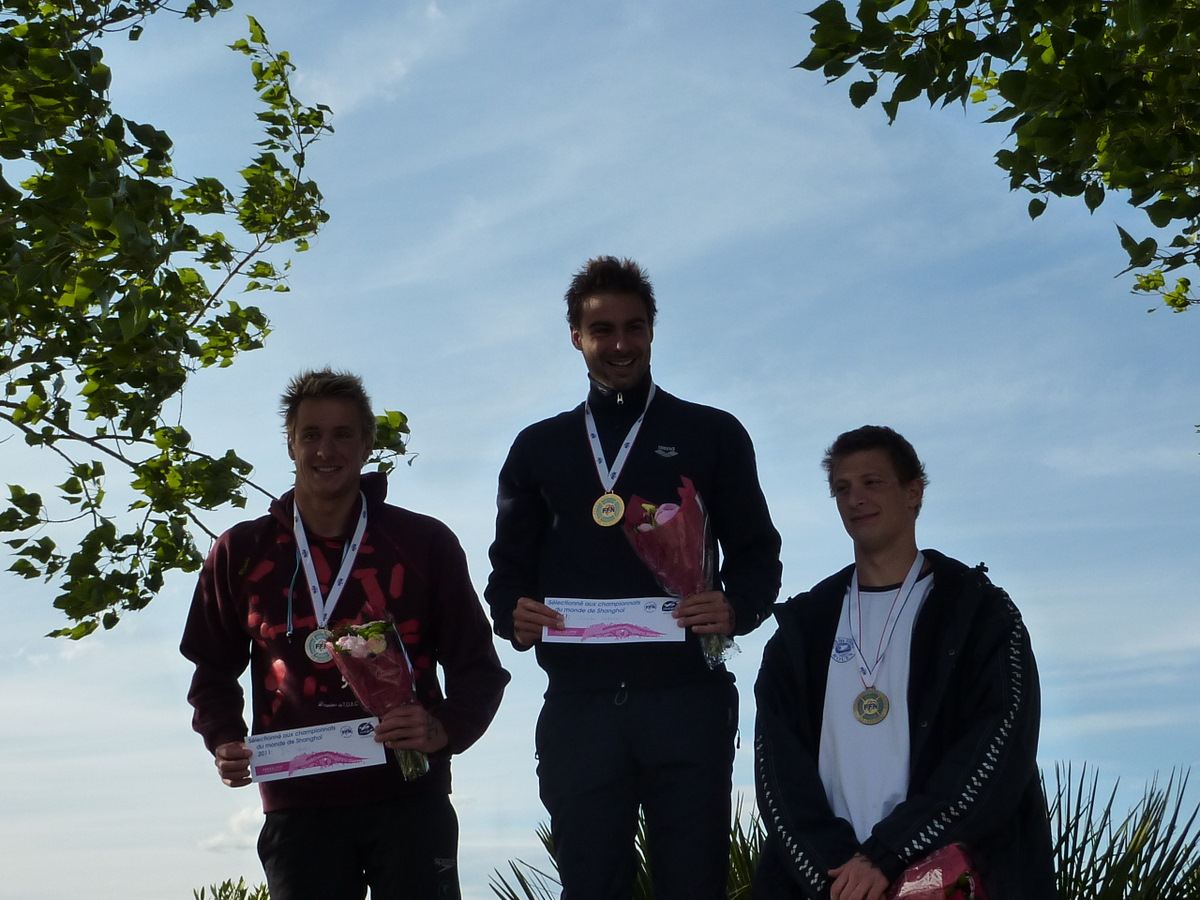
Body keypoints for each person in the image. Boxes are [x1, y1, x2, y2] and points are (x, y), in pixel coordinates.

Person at [486, 256, 783, 900]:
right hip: (580, 707)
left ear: (652, 330)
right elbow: (507, 572)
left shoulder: (712, 433)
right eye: (602, 330)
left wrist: (736, 606)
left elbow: (759, 554)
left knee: (693, 885)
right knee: (592, 887)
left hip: (686, 699)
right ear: (576, 337)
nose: (620, 344)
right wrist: (513, 613)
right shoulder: (538, 447)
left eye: (634, 327)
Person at [181, 369, 510, 900]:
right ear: (290, 444)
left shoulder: (423, 542)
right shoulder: (241, 551)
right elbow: (212, 669)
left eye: (342, 434)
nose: (325, 450)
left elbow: (478, 668)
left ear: (366, 444)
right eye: (310, 434)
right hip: (298, 803)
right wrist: (223, 737)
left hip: (408, 793)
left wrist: (444, 728)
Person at [753, 425, 1056, 900]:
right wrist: (839, 878)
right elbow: (778, 770)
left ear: (914, 492)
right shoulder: (801, 629)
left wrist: (891, 854)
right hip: (830, 885)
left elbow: (998, 749)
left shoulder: (980, 613)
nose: (856, 499)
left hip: (947, 883)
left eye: (872, 483)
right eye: (842, 488)